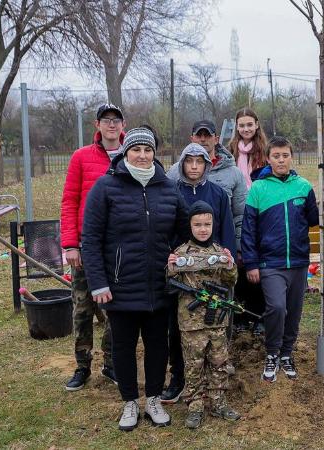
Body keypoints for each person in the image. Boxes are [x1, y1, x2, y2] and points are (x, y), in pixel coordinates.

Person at [81, 126, 188, 431]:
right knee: (124, 346)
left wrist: (177, 257)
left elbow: (185, 231)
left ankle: (153, 399)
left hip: (159, 286)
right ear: (125, 153)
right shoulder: (105, 187)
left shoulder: (169, 189)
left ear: (155, 153)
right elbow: (90, 239)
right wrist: (99, 283)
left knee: (158, 345)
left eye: (148, 150)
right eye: (136, 150)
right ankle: (130, 402)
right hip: (119, 287)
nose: (142, 156)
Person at [241, 136, 324, 382]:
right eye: (276, 156)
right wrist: (251, 262)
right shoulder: (258, 188)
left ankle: (286, 353)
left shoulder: (303, 186)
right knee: (277, 308)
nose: (281, 160)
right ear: (268, 159)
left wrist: (323, 209)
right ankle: (272, 352)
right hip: (270, 263)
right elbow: (249, 229)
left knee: (294, 311)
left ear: (292, 157)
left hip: (299, 262)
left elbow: (312, 220)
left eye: (285, 155)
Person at [161, 143, 236, 404]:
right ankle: (180, 377)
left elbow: (227, 230)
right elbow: (168, 228)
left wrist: (229, 261)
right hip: (185, 275)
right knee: (180, 328)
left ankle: (218, 379)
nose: (194, 166)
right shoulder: (171, 191)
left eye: (199, 161)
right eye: (189, 161)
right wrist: (172, 260)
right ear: (182, 164)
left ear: (207, 164)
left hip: (214, 273)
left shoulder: (217, 193)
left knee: (218, 325)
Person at [60, 103, 124, 391]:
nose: (112, 125)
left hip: (118, 245)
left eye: (116, 120)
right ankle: (82, 365)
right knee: (83, 307)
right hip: (87, 245)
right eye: (106, 120)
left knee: (117, 307)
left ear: (123, 125)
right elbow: (70, 200)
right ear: (97, 125)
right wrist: (71, 244)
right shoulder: (82, 157)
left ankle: (111, 363)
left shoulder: (130, 156)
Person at [167, 201, 240, 429]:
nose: (202, 229)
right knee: (193, 365)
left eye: (207, 224)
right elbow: (169, 286)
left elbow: (231, 281)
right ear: (190, 226)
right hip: (191, 324)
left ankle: (219, 402)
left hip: (217, 320)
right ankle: (195, 405)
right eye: (197, 224)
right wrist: (171, 267)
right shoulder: (180, 253)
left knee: (219, 362)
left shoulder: (219, 252)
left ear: (213, 225)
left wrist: (229, 265)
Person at [168, 120, 247, 242]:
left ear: (216, 139)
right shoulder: (174, 172)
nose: (203, 139)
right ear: (192, 138)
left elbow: (240, 215)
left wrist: (237, 249)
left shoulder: (233, 173)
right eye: (199, 135)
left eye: (208, 135)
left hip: (217, 250)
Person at [227, 108, 269, 335]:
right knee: (240, 263)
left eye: (249, 124)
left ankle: (260, 314)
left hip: (260, 213)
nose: (245, 129)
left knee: (258, 263)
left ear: (256, 125)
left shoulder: (264, 151)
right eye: (241, 125)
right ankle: (241, 315)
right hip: (238, 213)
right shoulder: (231, 151)